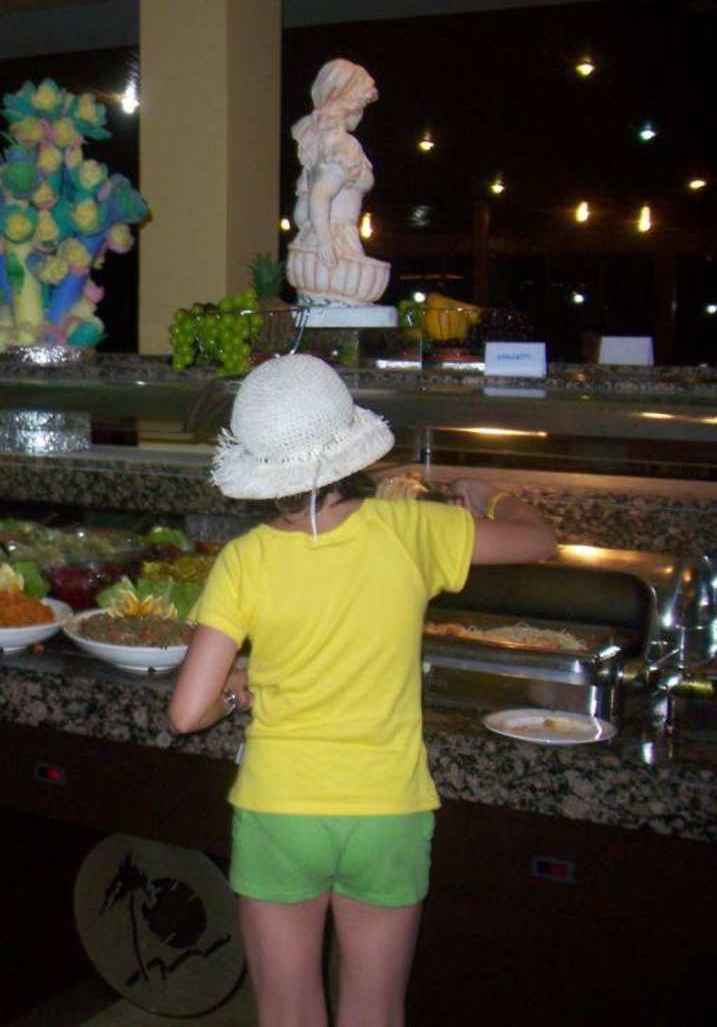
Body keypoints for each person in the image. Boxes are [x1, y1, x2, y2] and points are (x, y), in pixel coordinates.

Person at [168, 354, 556, 1027]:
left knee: (288, 1014)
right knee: (375, 1011)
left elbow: (185, 713)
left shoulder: (243, 561)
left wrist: (238, 693)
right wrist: (490, 492)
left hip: (281, 810)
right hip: (389, 809)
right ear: (350, 446)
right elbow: (541, 541)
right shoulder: (411, 530)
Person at [286, 59, 389, 306]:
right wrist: (326, 240)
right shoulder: (344, 146)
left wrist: (313, 234)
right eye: (362, 105)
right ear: (351, 102)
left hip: (311, 244)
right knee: (354, 294)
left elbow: (301, 213)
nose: (362, 112)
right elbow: (320, 195)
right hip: (337, 246)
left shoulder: (317, 147)